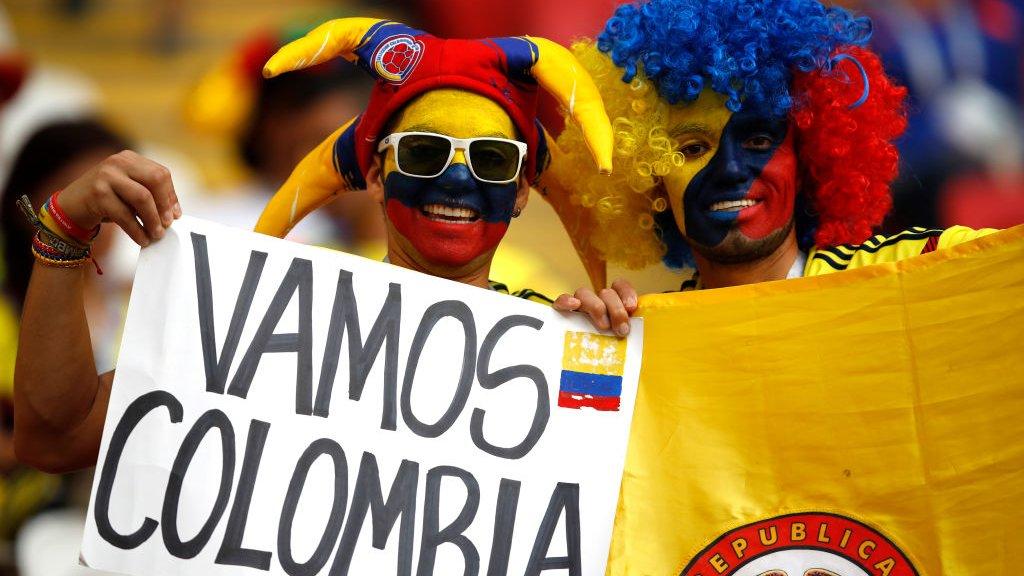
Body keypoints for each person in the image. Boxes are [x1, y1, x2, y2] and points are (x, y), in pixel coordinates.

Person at [12, 17, 631, 474]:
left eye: (492, 159)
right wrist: (64, 231)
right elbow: (55, 440)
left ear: (519, 190)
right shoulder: (277, 317)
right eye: (423, 152)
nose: (457, 180)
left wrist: (606, 359)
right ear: (377, 174)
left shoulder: (555, 345)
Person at [548, 0, 1003, 295]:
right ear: (652, 183)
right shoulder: (641, 337)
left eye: (758, 140)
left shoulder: (915, 275)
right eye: (692, 148)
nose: (731, 168)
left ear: (809, 158)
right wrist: (587, 350)